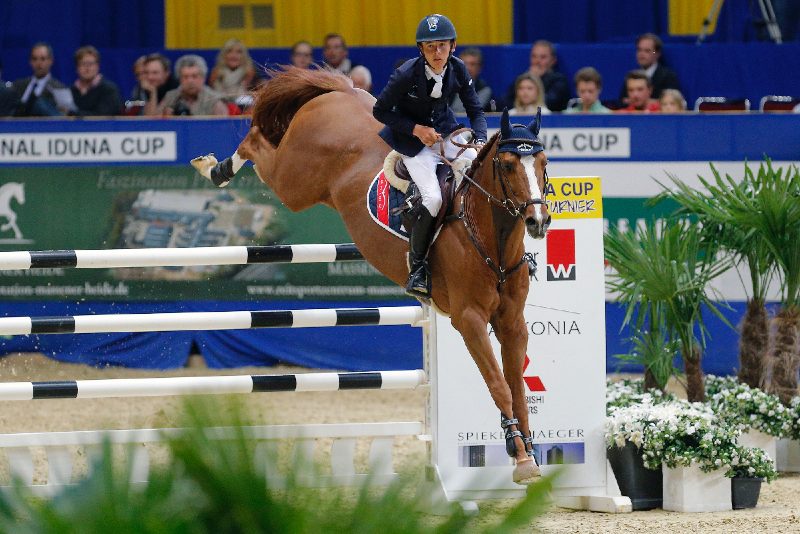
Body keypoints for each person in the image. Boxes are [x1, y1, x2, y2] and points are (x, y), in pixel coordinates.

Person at [373, 13, 487, 299]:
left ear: (453, 46)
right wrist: (416, 129)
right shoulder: (405, 75)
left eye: (442, 46)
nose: (437, 53)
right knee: (434, 198)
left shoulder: (458, 69)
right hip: (413, 142)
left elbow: (476, 111)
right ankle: (419, 267)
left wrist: (482, 140)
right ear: (421, 49)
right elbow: (380, 111)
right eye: (430, 47)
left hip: (446, 132)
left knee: (482, 174)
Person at [504, 40, 569, 112]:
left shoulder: (559, 80)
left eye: (543, 57)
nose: (537, 61)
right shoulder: (522, 78)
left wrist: (536, 78)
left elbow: (551, 102)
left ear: (553, 60)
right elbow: (506, 101)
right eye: (534, 56)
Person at [158, 54, 228, 116]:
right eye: (185, 77)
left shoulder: (214, 100)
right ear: (179, 79)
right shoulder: (170, 97)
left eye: (194, 76)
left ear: (203, 78)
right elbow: (154, 124)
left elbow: (224, 127)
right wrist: (165, 117)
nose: (190, 81)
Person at [619, 33, 680, 102]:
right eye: (639, 50)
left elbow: (672, 102)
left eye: (647, 51)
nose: (641, 54)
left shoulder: (668, 76)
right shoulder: (631, 76)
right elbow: (622, 101)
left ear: (657, 53)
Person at [11, 42, 67, 116]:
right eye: (35, 59)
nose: (38, 63)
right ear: (30, 61)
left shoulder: (59, 88)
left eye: (43, 59)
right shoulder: (18, 86)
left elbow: (63, 117)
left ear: (51, 61)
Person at [70, 46, 122, 116]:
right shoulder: (71, 91)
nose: (87, 68)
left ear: (97, 66)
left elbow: (101, 117)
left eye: (91, 64)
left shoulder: (109, 90)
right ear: (77, 68)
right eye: (83, 64)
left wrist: (72, 113)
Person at [450, 47, 494, 112]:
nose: (468, 68)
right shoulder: (446, 85)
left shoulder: (484, 90)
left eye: (472, 64)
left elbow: (469, 112)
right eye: (464, 64)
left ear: (479, 68)